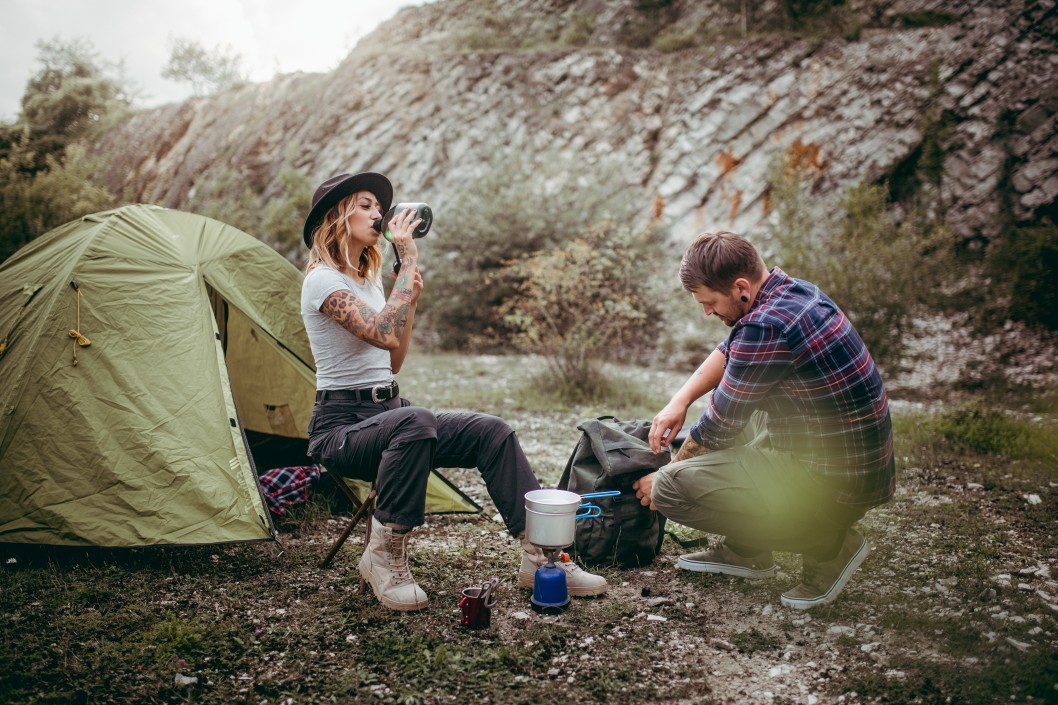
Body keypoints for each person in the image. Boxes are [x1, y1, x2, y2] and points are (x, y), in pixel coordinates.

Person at [300, 172, 607, 611]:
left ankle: (539, 557)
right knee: (416, 419)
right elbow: (382, 331)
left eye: (377, 206)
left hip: (390, 415)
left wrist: (411, 298)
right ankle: (383, 557)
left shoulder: (365, 281)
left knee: (491, 431)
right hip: (341, 428)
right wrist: (406, 261)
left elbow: (391, 362)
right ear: (336, 215)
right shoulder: (321, 281)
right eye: (365, 205)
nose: (378, 213)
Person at [633, 231, 894, 610]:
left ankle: (829, 546)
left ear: (740, 287)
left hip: (836, 485)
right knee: (748, 411)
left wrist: (665, 474)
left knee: (672, 488)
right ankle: (747, 550)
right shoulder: (790, 292)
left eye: (710, 302)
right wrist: (681, 399)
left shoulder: (766, 327)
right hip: (854, 468)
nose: (707, 312)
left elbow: (718, 426)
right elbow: (731, 350)